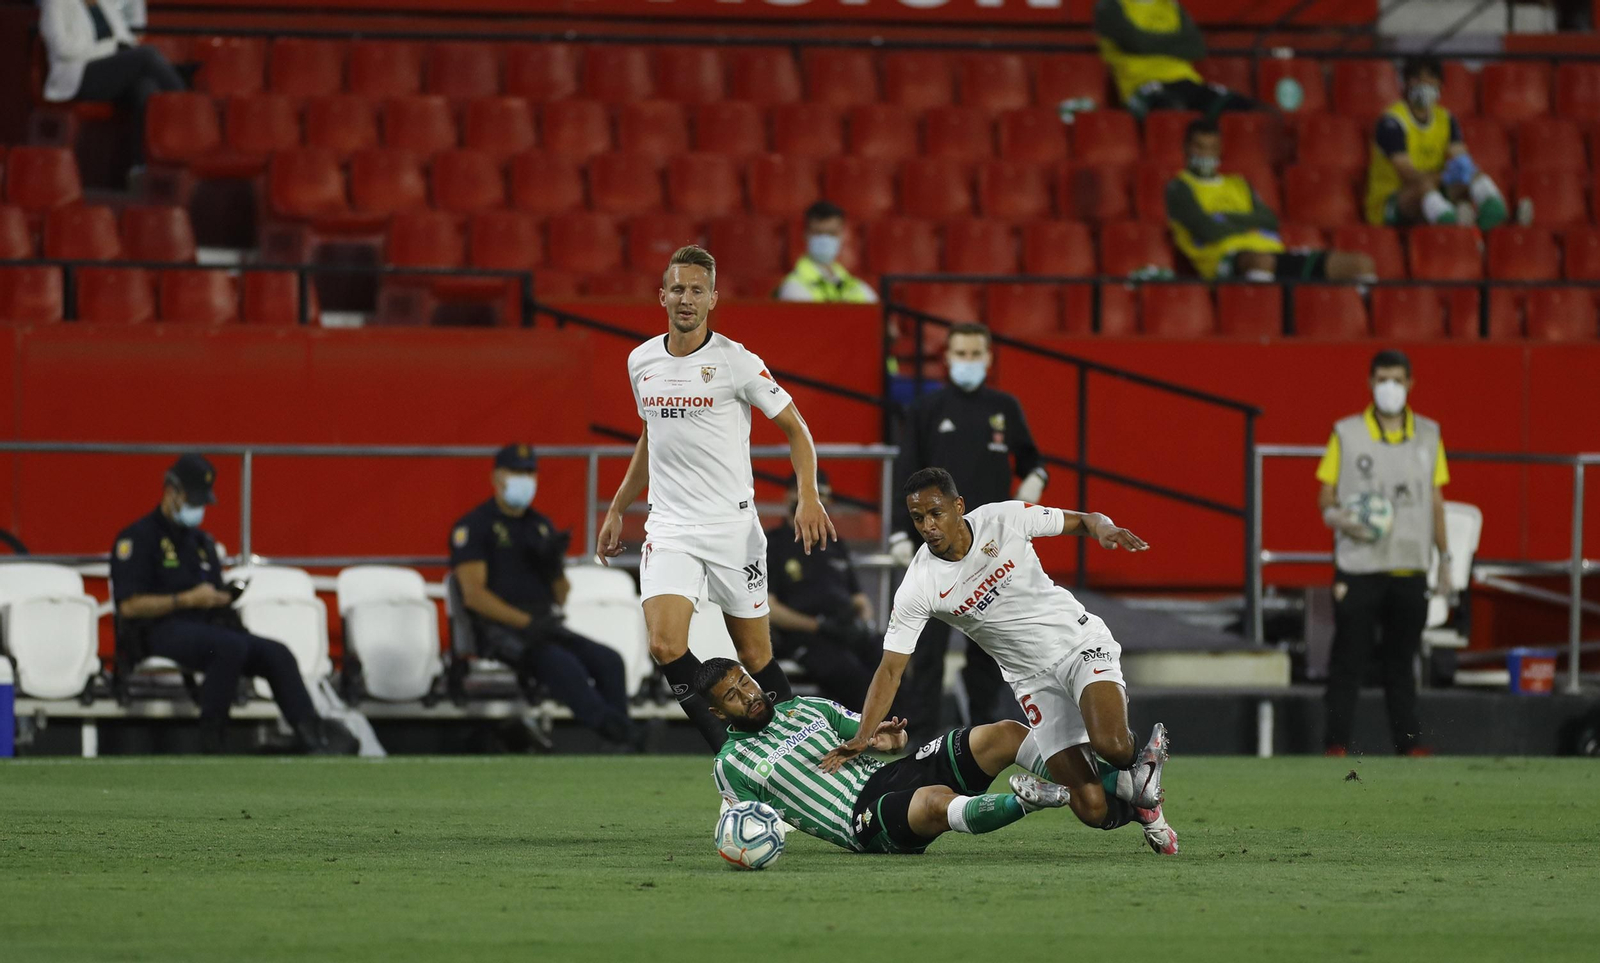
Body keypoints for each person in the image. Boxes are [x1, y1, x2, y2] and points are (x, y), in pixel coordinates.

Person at [824, 468, 1178, 855]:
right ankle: (1143, 803)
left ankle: (1139, 767)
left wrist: (1104, 529)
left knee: (1111, 745)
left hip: (1079, 644)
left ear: (959, 506)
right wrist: (863, 735)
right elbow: (891, 669)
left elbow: (1085, 520)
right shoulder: (919, 584)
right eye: (918, 518)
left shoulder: (1004, 518)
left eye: (936, 513)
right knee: (1092, 808)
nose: (928, 526)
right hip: (1032, 683)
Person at [596, 245, 836, 750]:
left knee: (756, 656)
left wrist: (808, 495)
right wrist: (618, 507)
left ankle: (801, 751)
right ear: (662, 296)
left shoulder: (736, 361)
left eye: (697, 290)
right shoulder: (641, 361)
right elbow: (651, 435)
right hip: (670, 527)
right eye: (678, 289)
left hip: (732, 529)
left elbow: (796, 428)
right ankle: (729, 756)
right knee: (665, 644)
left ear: (713, 299)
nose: (686, 298)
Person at [110, 454, 357, 755]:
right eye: (193, 500)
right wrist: (186, 599)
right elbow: (129, 607)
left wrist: (220, 598)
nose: (198, 509)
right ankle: (213, 740)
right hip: (158, 630)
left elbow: (212, 591)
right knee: (228, 647)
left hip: (207, 628)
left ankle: (313, 736)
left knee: (277, 653)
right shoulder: (138, 538)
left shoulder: (201, 543)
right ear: (172, 491)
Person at [700, 658, 1075, 854]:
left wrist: (891, 739)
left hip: (893, 775)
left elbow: (882, 737)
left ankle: (1097, 783)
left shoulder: (808, 707)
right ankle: (1026, 801)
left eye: (746, 682)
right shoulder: (730, 764)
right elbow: (745, 823)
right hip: (858, 819)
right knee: (933, 801)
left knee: (1002, 734)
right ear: (718, 712)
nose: (748, 696)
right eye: (732, 696)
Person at [889, 322, 1047, 747]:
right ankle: (920, 739)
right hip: (937, 549)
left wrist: (1035, 480)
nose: (969, 361)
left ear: (989, 357)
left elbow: (1033, 459)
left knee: (992, 648)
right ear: (948, 358)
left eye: (976, 353)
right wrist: (899, 533)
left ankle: (984, 737)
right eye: (961, 353)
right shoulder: (927, 409)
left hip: (993, 549)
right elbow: (906, 474)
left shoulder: (1004, 408)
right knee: (927, 648)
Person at [451, 444, 641, 751]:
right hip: (500, 632)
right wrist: (526, 622)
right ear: (497, 477)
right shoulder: (475, 527)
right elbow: (474, 597)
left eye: (529, 472)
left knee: (609, 661)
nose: (524, 479)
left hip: (544, 626)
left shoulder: (539, 526)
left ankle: (618, 742)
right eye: (516, 471)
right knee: (564, 665)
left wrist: (554, 566)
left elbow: (561, 597)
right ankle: (622, 734)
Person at [1316, 350, 1451, 757]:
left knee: (1402, 663)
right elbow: (1326, 493)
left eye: (1396, 379)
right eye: (1381, 379)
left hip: (1409, 565)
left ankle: (1408, 745)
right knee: (1348, 661)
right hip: (1359, 566)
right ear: (1370, 383)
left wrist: (1445, 559)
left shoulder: (1429, 434)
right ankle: (1336, 743)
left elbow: (1435, 500)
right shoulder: (1347, 433)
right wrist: (1338, 517)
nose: (1389, 387)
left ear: (1410, 384)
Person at [1170, 119, 1376, 282]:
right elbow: (1208, 230)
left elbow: (1270, 220)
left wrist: (1223, 218)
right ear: (1186, 148)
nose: (1206, 154)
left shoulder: (1239, 183)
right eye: (1200, 147)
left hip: (1272, 253)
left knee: (1360, 264)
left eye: (1212, 148)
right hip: (1228, 261)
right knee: (1262, 262)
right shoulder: (1179, 188)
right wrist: (1249, 221)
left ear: (1220, 149)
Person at [1365, 55, 1520, 230]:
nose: (1423, 84)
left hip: (1432, 189)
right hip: (1391, 202)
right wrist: (1445, 176)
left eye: (1430, 79)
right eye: (1417, 79)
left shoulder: (1445, 119)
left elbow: (1461, 160)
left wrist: (1464, 174)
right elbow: (1408, 174)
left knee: (1471, 175)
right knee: (1424, 185)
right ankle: (1453, 225)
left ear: (1439, 85)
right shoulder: (1391, 122)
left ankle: (1496, 219)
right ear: (1406, 83)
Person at [764, 470, 877, 708]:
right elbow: (771, 609)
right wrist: (819, 625)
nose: (813, 499)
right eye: (802, 492)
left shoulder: (835, 543)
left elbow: (860, 600)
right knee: (850, 672)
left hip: (845, 630)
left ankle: (908, 726)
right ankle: (871, 727)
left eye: (821, 494)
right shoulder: (772, 544)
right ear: (787, 496)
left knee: (890, 657)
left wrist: (863, 624)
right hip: (804, 636)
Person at [39, 0, 185, 167]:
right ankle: (187, 109)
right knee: (148, 55)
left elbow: (121, 36)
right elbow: (62, 47)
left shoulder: (103, 2)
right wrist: (107, 48)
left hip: (108, 69)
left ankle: (141, 168)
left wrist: (122, 50)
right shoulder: (55, 3)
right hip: (78, 74)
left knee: (145, 87)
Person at [1093, 0, 1258, 118]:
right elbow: (1137, 43)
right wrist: (1175, 43)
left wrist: (1148, 41)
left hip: (1186, 81)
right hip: (1141, 85)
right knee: (1170, 109)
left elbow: (1197, 47)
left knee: (1240, 106)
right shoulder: (1109, 6)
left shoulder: (1170, 4)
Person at [775, 201, 878, 304]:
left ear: (842, 235)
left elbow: (877, 311)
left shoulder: (857, 287)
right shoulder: (793, 288)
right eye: (818, 233)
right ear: (805, 234)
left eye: (831, 233)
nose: (824, 239)